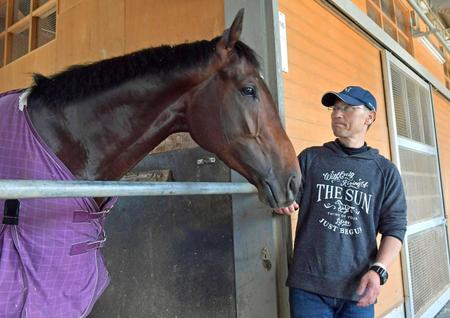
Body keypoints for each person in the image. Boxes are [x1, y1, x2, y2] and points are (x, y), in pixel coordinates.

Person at [275, 86, 407, 318]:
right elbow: (285, 198)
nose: (337, 113)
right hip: (309, 287)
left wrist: (379, 271)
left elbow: (395, 228)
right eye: (335, 108)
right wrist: (280, 199)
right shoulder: (311, 158)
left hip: (359, 289)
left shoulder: (385, 172)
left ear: (370, 117)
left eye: (347, 108)